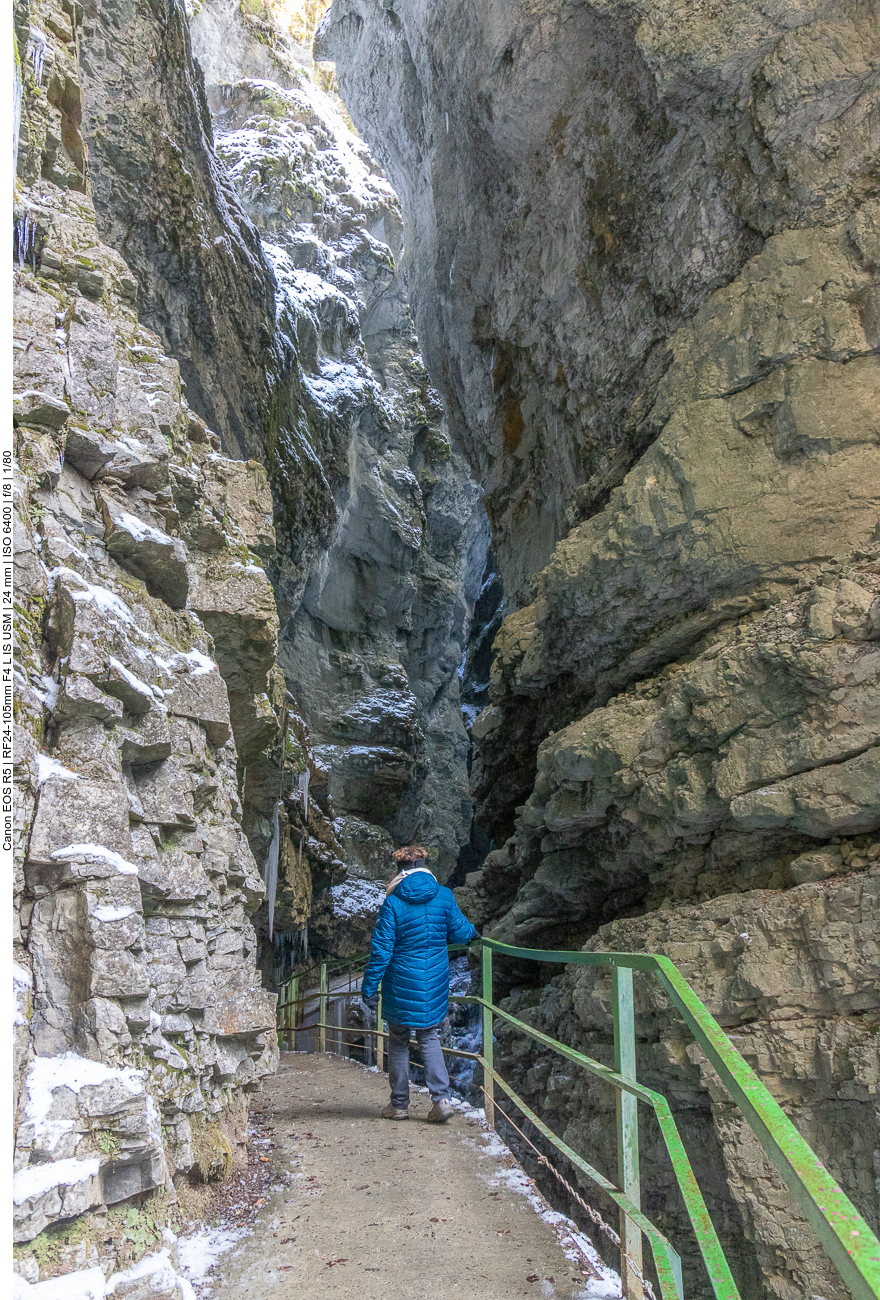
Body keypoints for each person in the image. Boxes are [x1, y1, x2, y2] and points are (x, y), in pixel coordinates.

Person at [361, 845, 478, 1122]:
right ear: (425, 867)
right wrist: (475, 934)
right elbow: (461, 933)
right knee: (429, 1036)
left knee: (398, 1040)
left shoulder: (393, 903)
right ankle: (442, 1100)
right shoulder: (444, 896)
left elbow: (381, 951)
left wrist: (369, 988)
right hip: (434, 980)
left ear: (399, 871)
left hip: (400, 983)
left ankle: (399, 1105)